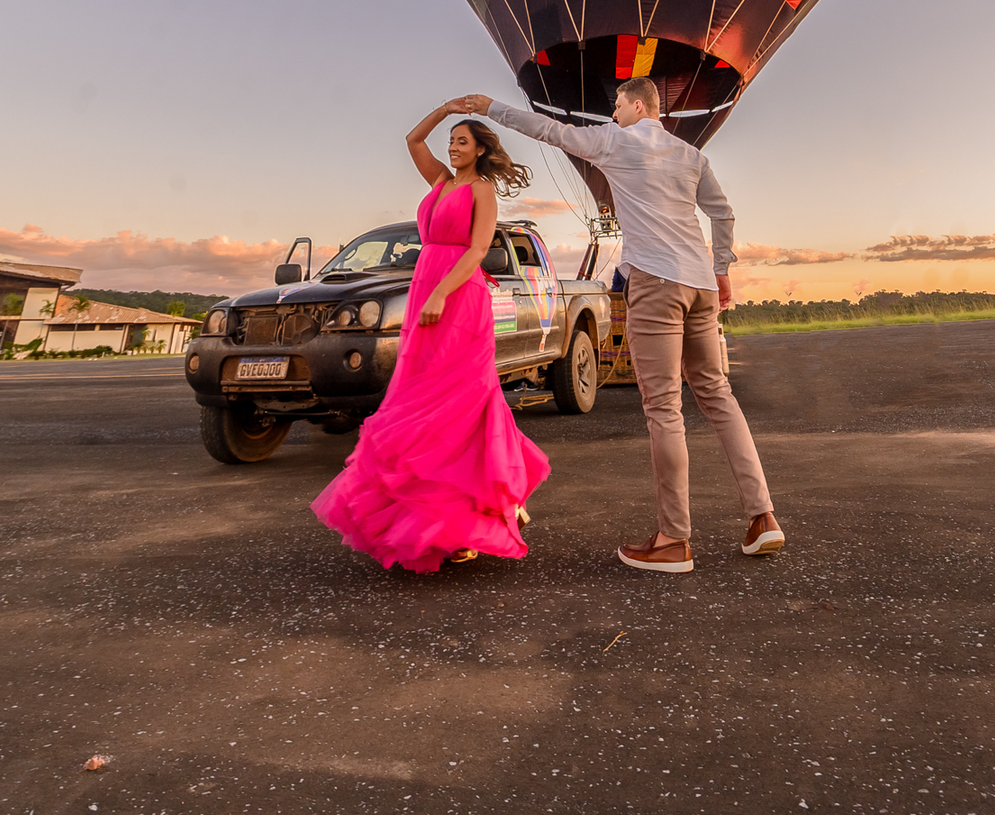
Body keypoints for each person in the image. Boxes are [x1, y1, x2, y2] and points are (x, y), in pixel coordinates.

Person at [453, 81, 782, 574]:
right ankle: (762, 517)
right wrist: (722, 266)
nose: (612, 112)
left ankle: (674, 538)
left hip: (656, 280)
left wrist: (491, 109)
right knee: (717, 395)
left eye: (616, 105)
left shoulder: (614, 139)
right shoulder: (691, 155)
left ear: (635, 104)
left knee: (664, 406)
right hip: (701, 284)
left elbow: (549, 130)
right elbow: (722, 213)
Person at [310, 102, 549, 573]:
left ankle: (471, 517)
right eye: (452, 141)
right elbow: (412, 141)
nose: (453, 147)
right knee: (419, 399)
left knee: (459, 400)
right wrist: (443, 110)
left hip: (458, 293)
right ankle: (426, 517)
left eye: (463, 141)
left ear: (481, 150)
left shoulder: (482, 190)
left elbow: (479, 249)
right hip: (426, 287)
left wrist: (442, 292)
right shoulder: (441, 180)